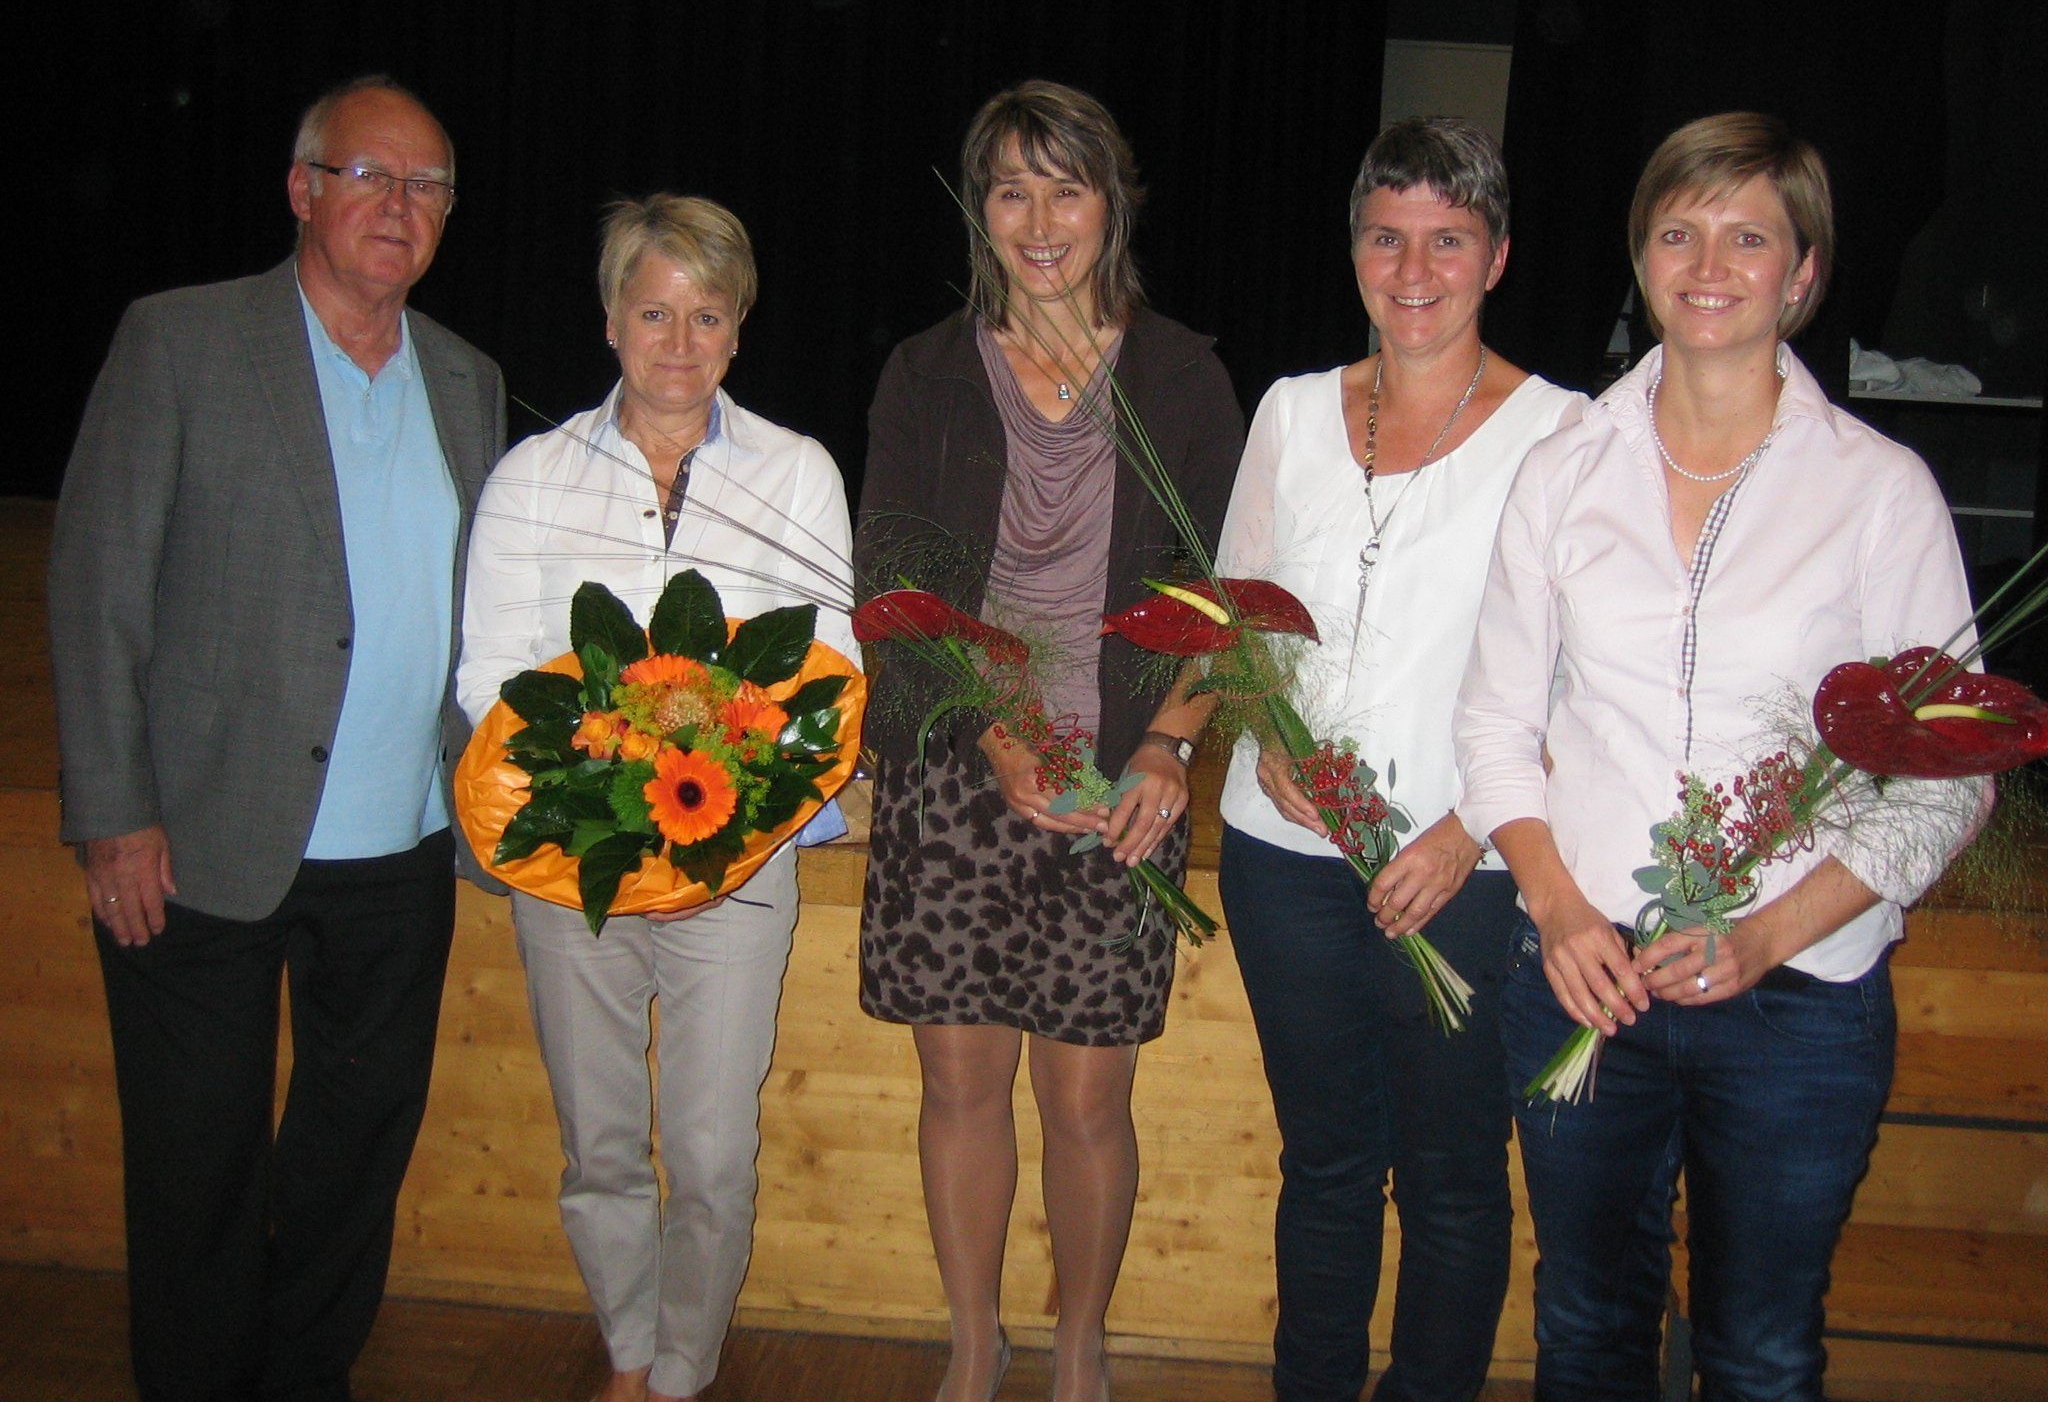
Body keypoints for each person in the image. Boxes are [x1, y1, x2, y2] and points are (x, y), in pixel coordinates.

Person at [1455, 112, 1984, 1399]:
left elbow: (1949, 772)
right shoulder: (1561, 469)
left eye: (1748, 238)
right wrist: (1556, 909)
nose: (1707, 265)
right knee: (1584, 1333)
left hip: (1798, 1002)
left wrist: (1764, 936)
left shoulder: (1878, 492)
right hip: (1585, 977)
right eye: (1677, 232)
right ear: (1640, 258)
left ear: (1801, 274)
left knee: (1757, 1350)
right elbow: (1492, 723)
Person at [48, 76, 504, 1402]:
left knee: (354, 1153)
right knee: (196, 1165)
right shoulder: (181, 341)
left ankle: (305, 1377)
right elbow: (96, 584)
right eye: (370, 175)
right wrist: (111, 812)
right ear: (303, 189)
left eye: (428, 187)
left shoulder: (467, 379)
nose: (400, 205)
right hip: (200, 844)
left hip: (402, 849)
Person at [856, 79, 1243, 1402]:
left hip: (1121, 785)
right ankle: (975, 1340)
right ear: (978, 209)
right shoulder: (923, 373)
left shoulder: (1181, 377)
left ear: (1111, 204)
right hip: (957, 780)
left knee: (1087, 1103)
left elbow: (1218, 594)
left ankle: (1079, 1343)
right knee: (961, 1090)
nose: (1036, 221)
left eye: (1064, 189)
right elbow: (894, 587)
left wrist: (1168, 747)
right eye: (1008, 191)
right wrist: (994, 736)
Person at [457, 193, 857, 1402]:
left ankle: (683, 1371)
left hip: (736, 868)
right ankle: (628, 1357)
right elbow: (491, 679)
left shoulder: (796, 470)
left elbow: (825, 678)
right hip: (568, 865)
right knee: (599, 1147)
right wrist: (611, 809)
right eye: (653, 313)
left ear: (738, 329)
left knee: (712, 1155)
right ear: (609, 321)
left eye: (707, 315)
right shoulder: (533, 476)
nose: (680, 342)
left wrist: (717, 835)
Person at [1212, 117, 1583, 1402]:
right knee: (1322, 1163)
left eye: (1446, 240)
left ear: (1496, 257)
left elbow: (1583, 679)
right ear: (1353, 249)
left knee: (1451, 1178)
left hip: (1462, 872)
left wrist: (1468, 831)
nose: (1411, 270)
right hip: (1281, 861)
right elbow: (1237, 612)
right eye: (1385, 237)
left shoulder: (1566, 432)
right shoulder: (1290, 410)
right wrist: (1264, 735)